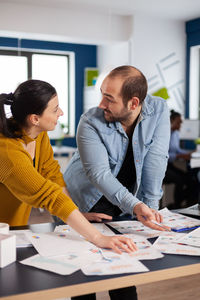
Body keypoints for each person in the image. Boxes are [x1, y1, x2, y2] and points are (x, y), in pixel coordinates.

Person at [64, 65, 170, 300]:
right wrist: (135, 205)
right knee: (83, 277)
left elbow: (156, 159)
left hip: (126, 200)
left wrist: (149, 207)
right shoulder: (90, 121)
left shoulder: (159, 110)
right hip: (86, 198)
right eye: (101, 94)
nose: (101, 104)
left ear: (134, 103)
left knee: (123, 275)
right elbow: (99, 174)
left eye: (109, 98)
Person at [0, 79, 138, 255]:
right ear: (35, 119)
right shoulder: (7, 151)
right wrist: (98, 238)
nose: (61, 113)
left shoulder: (37, 134)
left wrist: (76, 214)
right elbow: (50, 196)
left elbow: (52, 175)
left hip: (12, 230)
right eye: (55, 109)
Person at [163, 110, 199, 208]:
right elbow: (163, 154)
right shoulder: (164, 133)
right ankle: (176, 205)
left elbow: (177, 150)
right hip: (163, 166)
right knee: (180, 180)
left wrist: (190, 153)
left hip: (170, 165)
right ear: (171, 121)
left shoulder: (175, 134)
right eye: (179, 122)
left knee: (191, 179)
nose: (181, 124)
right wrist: (180, 156)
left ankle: (187, 204)